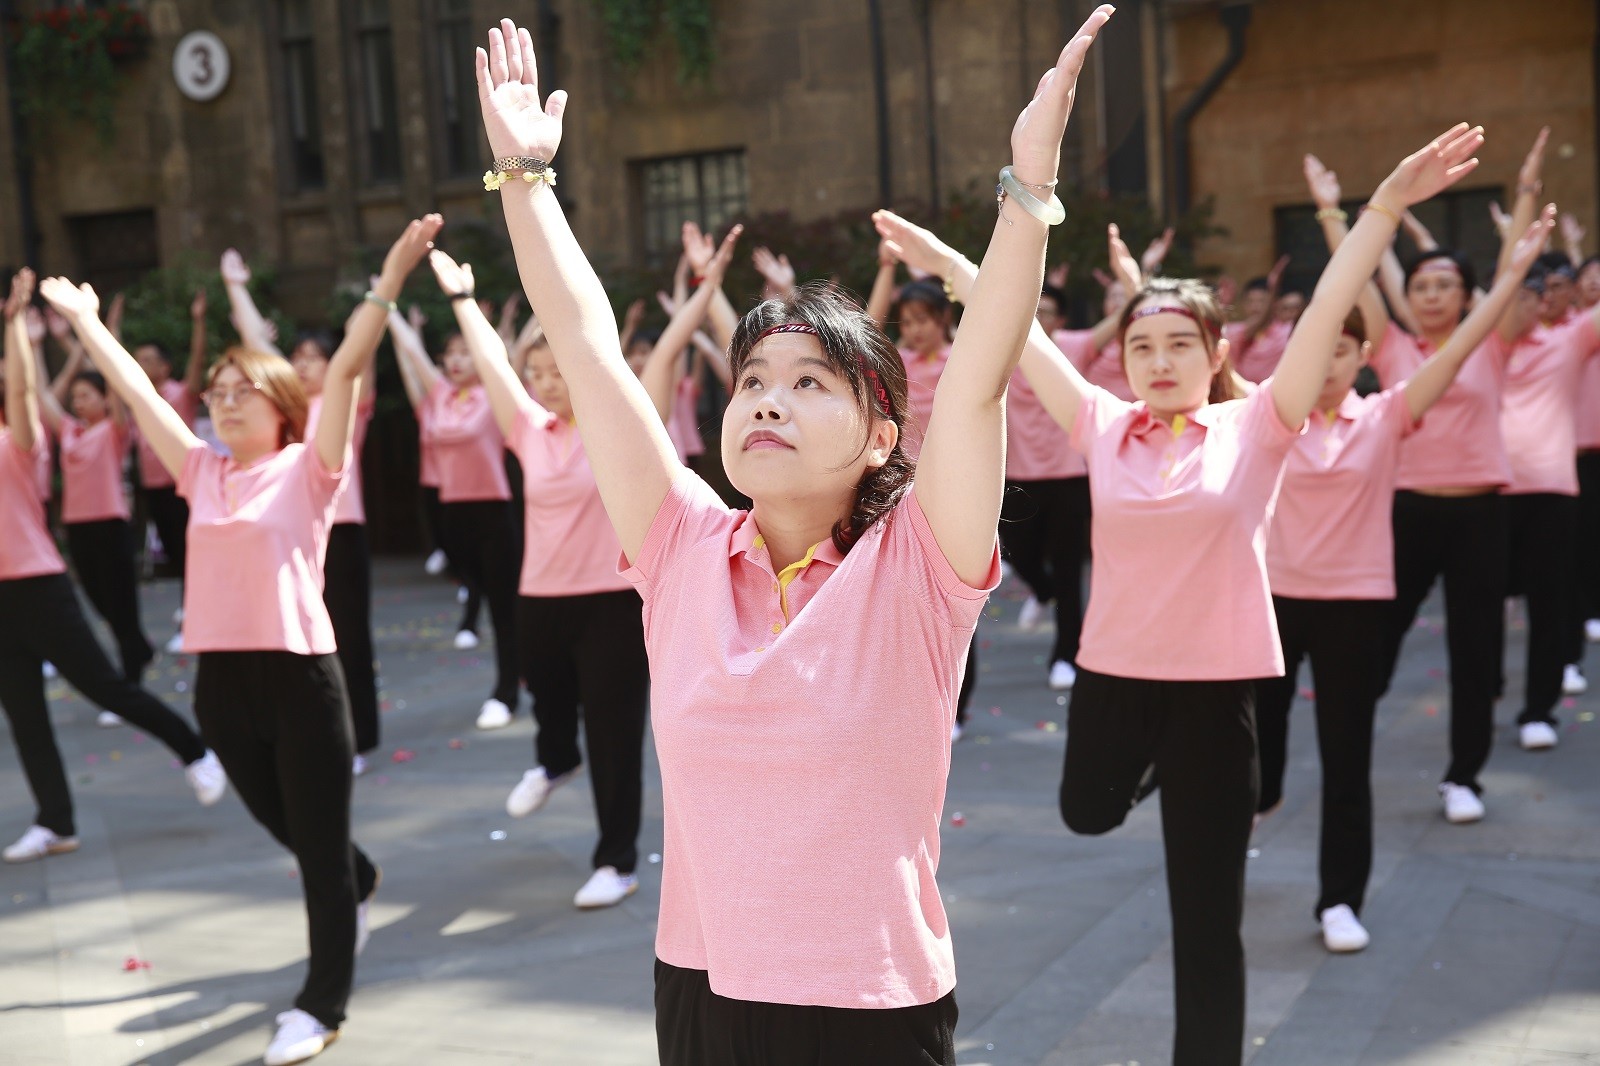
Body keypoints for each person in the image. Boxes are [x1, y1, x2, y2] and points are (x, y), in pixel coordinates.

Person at [473, 9, 1112, 1060]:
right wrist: (527, 182)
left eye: (811, 383)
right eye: (754, 381)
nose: (767, 400)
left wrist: (1027, 190)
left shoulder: (915, 566)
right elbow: (587, 349)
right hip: (702, 986)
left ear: (877, 436)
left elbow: (982, 378)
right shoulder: (680, 548)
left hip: (870, 1003)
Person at [880, 123, 1486, 1064]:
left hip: (1217, 700)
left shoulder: (1259, 427)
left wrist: (1381, 211)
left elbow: (1330, 307)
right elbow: (1018, 331)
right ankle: (1151, 767)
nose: (1158, 361)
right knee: (1085, 809)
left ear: (1215, 353)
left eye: (1178, 345)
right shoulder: (1100, 421)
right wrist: (955, 260)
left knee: (1208, 925)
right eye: (1142, 346)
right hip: (1118, 680)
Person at [38, 216, 436, 1065]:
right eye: (214, 391)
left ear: (280, 404)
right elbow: (142, 398)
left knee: (317, 854)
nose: (219, 401)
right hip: (220, 682)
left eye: (237, 391)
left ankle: (321, 1005)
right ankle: (355, 878)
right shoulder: (201, 470)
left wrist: (389, 280)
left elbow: (354, 364)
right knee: (287, 825)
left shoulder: (309, 466)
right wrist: (86, 323)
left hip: (301, 677)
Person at [1255, 200, 1553, 954]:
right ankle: (1263, 795)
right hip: (1277, 605)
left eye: (1341, 351)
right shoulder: (1267, 417)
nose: (1325, 364)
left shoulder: (1388, 412)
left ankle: (1340, 900)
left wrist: (1516, 263)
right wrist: (1336, 215)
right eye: (1314, 350)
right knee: (1260, 736)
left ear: (1364, 358)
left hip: (1358, 602)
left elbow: (1460, 348)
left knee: (1350, 759)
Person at [429, 242, 669, 910]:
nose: (543, 381)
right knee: (553, 709)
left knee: (615, 736)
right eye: (534, 371)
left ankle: (615, 861)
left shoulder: (616, 423)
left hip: (613, 602)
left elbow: (645, 356)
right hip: (541, 598)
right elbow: (489, 366)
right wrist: (462, 302)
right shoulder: (528, 428)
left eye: (556, 369)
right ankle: (555, 758)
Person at [1306, 136, 1532, 822]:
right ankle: (1350, 718)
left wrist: (1524, 201)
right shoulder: (1397, 346)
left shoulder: (1489, 341)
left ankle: (1464, 775)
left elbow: (1512, 279)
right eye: (1423, 283)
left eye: (1446, 285)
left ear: (1468, 296)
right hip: (1405, 512)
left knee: (1475, 648)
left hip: (1482, 514)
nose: (1433, 294)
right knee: (1380, 637)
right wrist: (1329, 212)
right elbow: (1359, 279)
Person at [1, 268, 225, 865]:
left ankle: (194, 747)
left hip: (39, 583)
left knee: (103, 683)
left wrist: (16, 332)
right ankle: (55, 822)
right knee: (24, 714)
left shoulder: (21, 442)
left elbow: (25, 393)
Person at [222, 251, 384, 772]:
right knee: (302, 638)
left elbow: (359, 353)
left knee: (350, 637)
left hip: (343, 532)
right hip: (293, 538)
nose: (306, 363)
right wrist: (236, 286)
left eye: (316, 356)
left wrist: (383, 294)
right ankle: (314, 731)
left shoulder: (345, 401)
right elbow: (256, 346)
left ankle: (359, 739)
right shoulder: (285, 411)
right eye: (301, 356)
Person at [385, 295, 521, 730]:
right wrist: (385, 303)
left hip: (495, 514)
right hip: (452, 515)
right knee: (472, 586)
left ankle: (506, 692)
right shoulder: (439, 396)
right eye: (452, 354)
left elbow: (503, 351)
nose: (458, 361)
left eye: (467, 352)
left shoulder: (496, 396)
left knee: (504, 612)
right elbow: (411, 349)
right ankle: (523, 670)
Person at [27, 317, 156, 692]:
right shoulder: (70, 431)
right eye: (76, 397)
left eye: (86, 395)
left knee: (122, 606)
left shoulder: (115, 429)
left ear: (103, 398)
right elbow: (41, 394)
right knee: (100, 603)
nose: (78, 402)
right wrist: (34, 345)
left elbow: (120, 386)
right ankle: (141, 651)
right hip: (79, 527)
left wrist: (106, 339)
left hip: (111, 524)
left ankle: (132, 675)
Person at [130, 291, 208, 654]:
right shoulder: (139, 401)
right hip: (153, 488)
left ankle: (197, 618)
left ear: (164, 367)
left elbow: (196, 364)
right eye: (136, 359)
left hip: (182, 485)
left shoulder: (179, 394)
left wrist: (198, 322)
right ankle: (192, 614)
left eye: (147, 359)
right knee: (175, 557)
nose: (140, 364)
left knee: (190, 553)